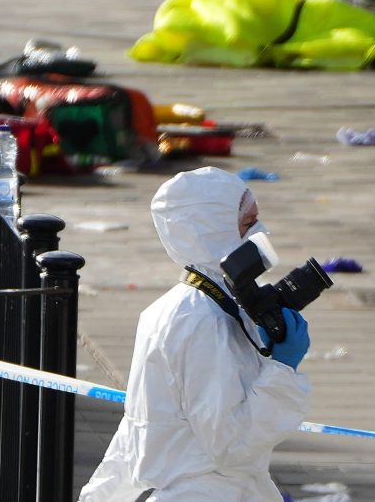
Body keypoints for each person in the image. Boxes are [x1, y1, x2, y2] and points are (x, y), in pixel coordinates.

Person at [78, 166, 312, 502]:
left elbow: (139, 433)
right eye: (248, 224)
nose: (261, 233)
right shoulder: (203, 320)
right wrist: (282, 371)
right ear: (213, 231)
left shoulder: (185, 306)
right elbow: (232, 443)